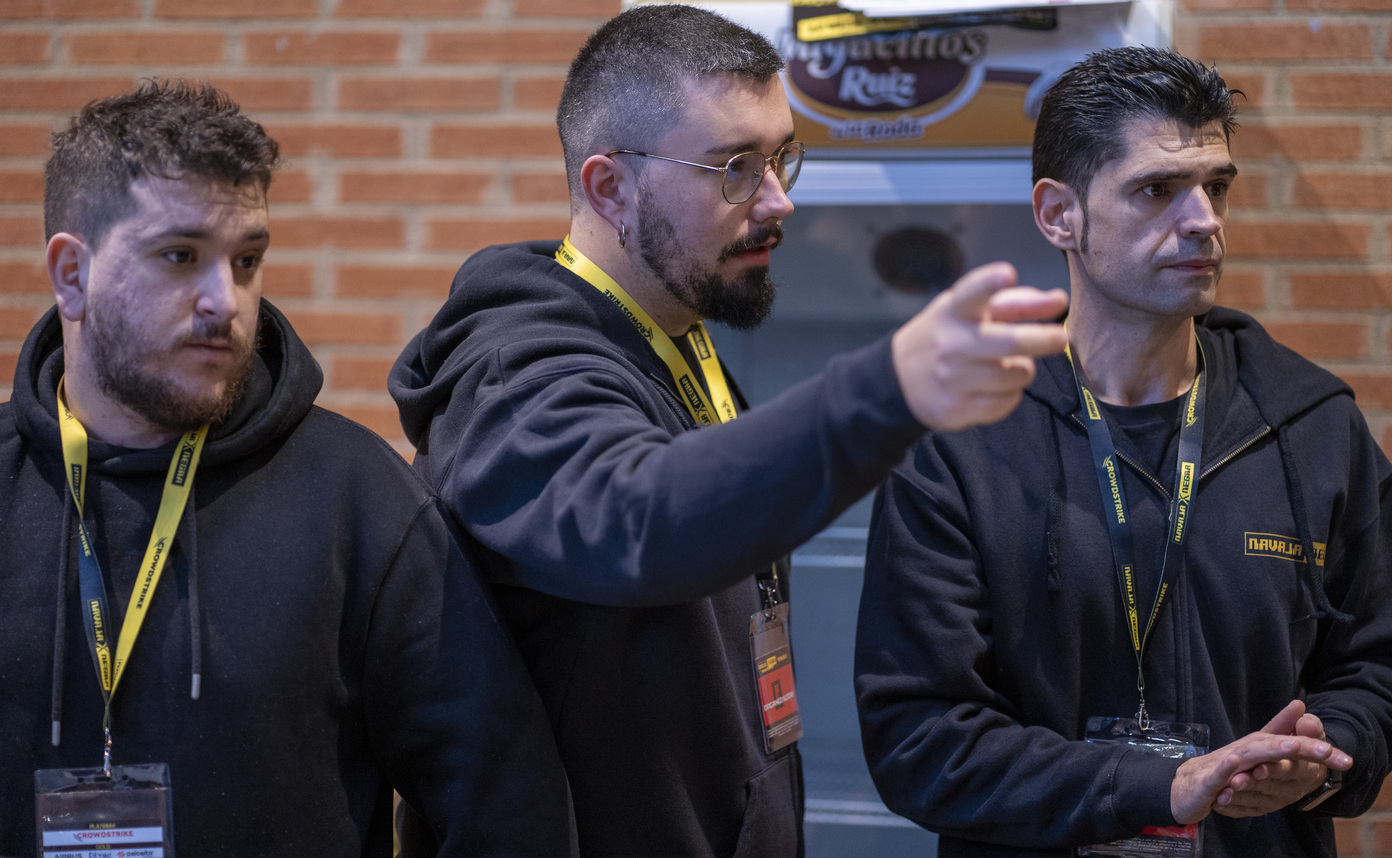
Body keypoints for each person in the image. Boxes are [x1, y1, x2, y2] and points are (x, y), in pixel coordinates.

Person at [389, 5, 1068, 855]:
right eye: (734, 168)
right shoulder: (518, 373)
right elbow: (640, 517)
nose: (779, 199)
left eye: (782, 157)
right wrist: (888, 389)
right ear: (610, 188)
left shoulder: (676, 338)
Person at [0, 79, 577, 856]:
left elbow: (505, 801)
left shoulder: (358, 497)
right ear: (71, 274)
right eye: (180, 256)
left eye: (246, 260)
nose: (225, 301)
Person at [855, 45, 1392, 857]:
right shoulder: (957, 437)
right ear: (1058, 215)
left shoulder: (1312, 424)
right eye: (1157, 190)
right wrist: (1154, 788)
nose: (1204, 220)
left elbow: (1375, 667)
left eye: (1216, 187)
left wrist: (1324, 755)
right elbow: (920, 738)